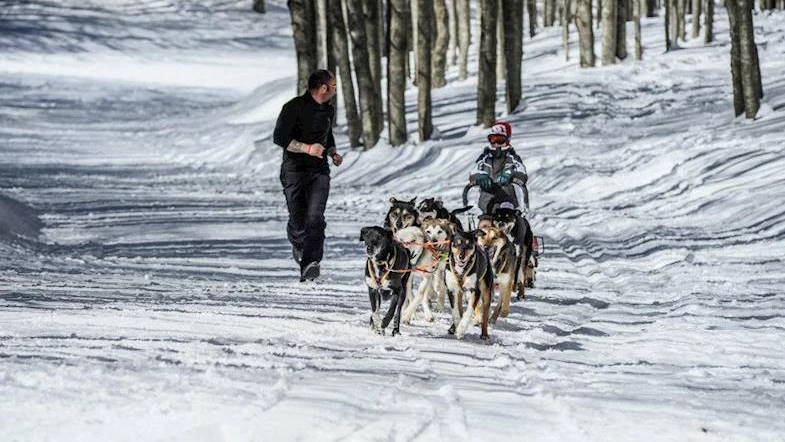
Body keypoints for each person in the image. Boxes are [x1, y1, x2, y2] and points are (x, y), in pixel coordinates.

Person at [273, 69, 343, 282]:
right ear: (323, 88)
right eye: (333, 87)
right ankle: (296, 240)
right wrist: (306, 148)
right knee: (298, 220)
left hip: (319, 171)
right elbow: (280, 137)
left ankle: (311, 263)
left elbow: (327, 135)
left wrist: (332, 152)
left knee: (315, 217)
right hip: (294, 170)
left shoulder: (328, 111)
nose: (334, 91)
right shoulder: (293, 107)